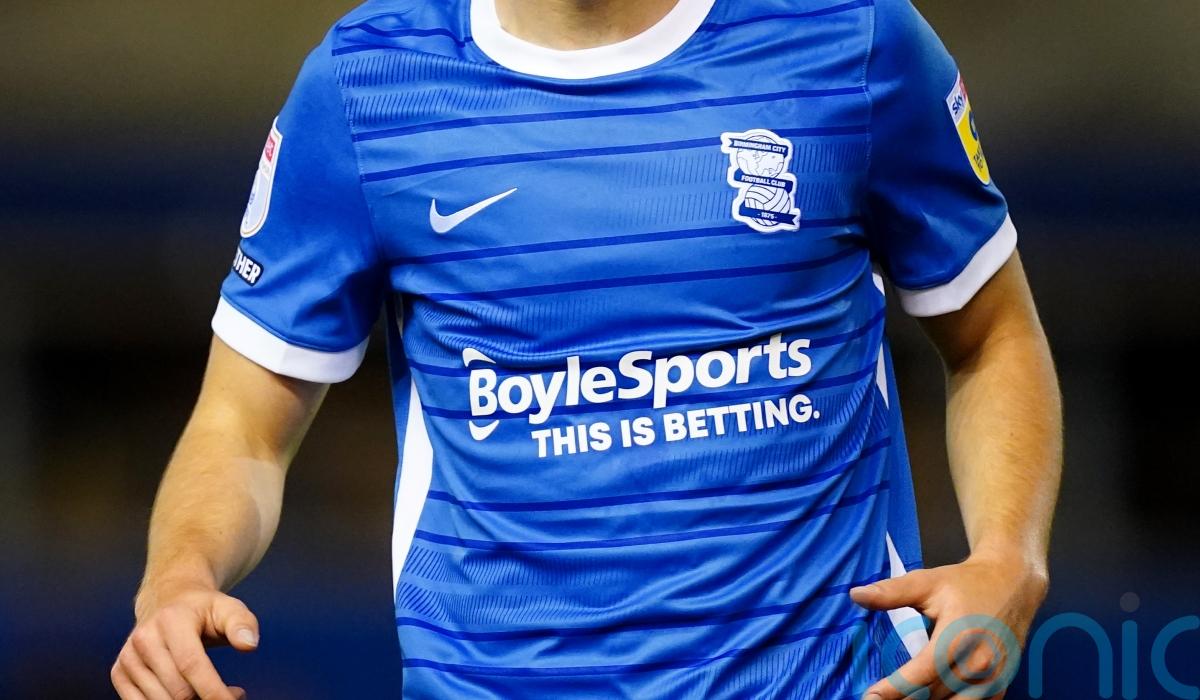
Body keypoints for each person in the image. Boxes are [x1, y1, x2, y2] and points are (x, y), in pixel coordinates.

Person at [112, 0, 1062, 697]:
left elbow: (993, 336)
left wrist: (1009, 556)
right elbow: (242, 425)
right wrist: (179, 577)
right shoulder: (368, 84)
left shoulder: (852, 39)